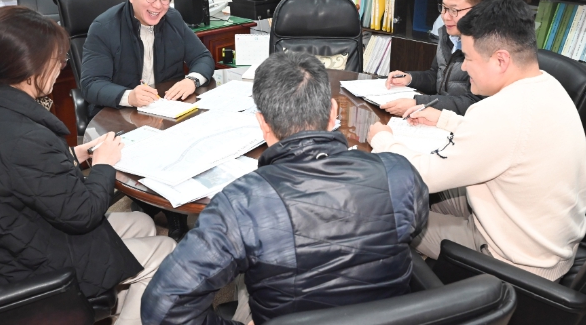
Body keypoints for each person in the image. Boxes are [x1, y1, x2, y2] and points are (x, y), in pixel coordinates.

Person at [141, 51, 429, 325]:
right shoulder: (399, 173)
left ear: (262, 123)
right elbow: (410, 230)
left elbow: (163, 308)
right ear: (333, 112)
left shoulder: (241, 203)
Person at [0, 7, 176, 325]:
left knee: (142, 223)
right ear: (29, 67)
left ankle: (112, 311)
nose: (61, 67)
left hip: (7, 243)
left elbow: (17, 172)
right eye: (58, 60)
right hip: (23, 272)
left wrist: (74, 155)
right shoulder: (22, 136)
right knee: (166, 249)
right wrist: (103, 165)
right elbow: (83, 213)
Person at [368, 0, 586, 281]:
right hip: (543, 240)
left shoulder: (499, 112)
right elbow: (508, 139)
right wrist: (444, 119)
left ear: (500, 60)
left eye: (469, 58)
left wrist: (384, 140)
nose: (464, 68)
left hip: (514, 260)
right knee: (428, 198)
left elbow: (421, 175)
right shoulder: (549, 86)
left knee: (384, 213)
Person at [80, 0, 215, 120]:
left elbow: (202, 57)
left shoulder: (173, 19)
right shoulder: (104, 28)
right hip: (120, 115)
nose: (157, 6)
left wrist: (192, 81)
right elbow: (91, 84)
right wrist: (129, 96)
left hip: (167, 110)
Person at [382, 0, 492, 116]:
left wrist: (420, 102)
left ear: (478, 11)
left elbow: (475, 102)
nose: (445, 16)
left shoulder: (488, 47)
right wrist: (410, 78)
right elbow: (437, 75)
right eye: (444, 8)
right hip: (439, 117)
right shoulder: (447, 34)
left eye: (454, 10)